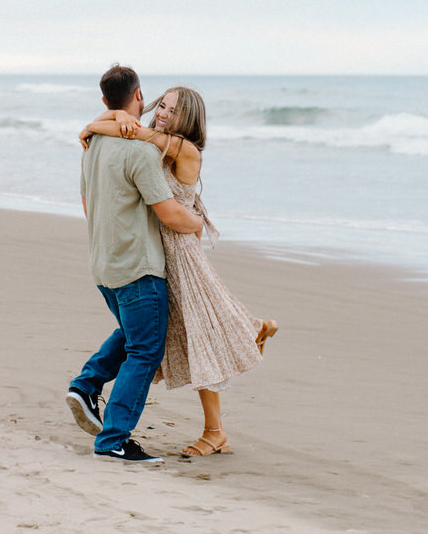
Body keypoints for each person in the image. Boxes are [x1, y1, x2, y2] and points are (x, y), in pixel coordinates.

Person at [80, 85, 277, 457]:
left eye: (173, 110)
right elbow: (128, 132)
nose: (164, 113)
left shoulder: (184, 149)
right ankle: (252, 329)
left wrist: (103, 123)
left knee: (199, 336)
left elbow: (133, 132)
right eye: (163, 106)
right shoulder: (156, 143)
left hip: (179, 251)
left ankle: (215, 429)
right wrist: (104, 122)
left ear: (188, 117)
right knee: (188, 333)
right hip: (156, 249)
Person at [66, 65, 206, 463]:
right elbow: (170, 215)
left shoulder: (92, 147)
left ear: (105, 101)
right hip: (139, 267)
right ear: (139, 96)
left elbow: (88, 206)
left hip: (104, 264)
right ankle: (113, 440)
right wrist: (200, 222)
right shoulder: (141, 152)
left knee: (131, 334)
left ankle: (86, 384)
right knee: (145, 349)